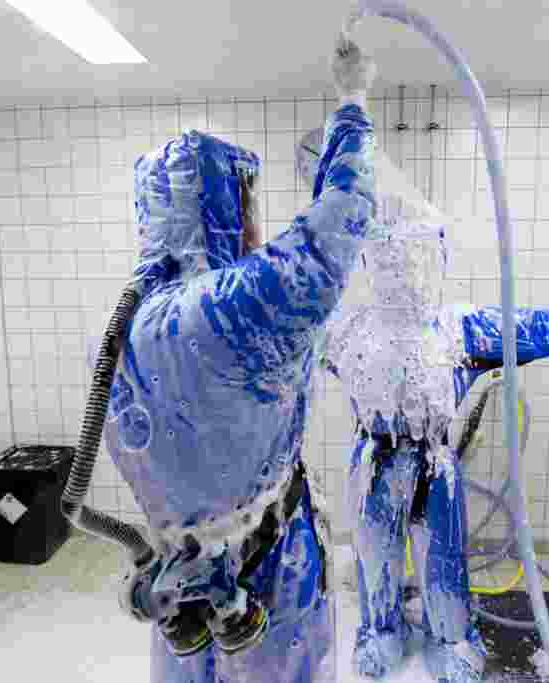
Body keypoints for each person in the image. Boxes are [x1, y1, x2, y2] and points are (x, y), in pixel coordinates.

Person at [298, 133, 549, 682]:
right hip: (374, 460)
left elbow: (531, 328)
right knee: (375, 556)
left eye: (419, 256)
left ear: (437, 258)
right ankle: (380, 631)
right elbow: (288, 331)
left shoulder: (458, 327)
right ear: (373, 260)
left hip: (434, 461)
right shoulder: (351, 330)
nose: (407, 268)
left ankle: (451, 637)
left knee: (442, 558)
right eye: (397, 257)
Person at [97, 40, 377, 683]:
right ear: (220, 210)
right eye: (246, 205)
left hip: (178, 578)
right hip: (270, 571)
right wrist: (353, 100)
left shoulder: (122, 327)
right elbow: (341, 221)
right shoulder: (232, 309)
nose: (255, 226)